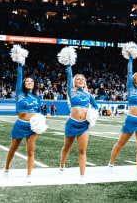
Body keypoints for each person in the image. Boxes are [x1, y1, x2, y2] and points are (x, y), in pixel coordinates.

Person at [108, 50, 137, 177]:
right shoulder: (130, 88)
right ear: (134, 79)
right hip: (130, 120)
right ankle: (111, 163)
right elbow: (128, 73)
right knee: (120, 144)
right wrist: (130, 59)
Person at [59, 49, 98, 181]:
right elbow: (69, 76)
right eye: (78, 79)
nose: (80, 80)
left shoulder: (88, 95)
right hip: (71, 124)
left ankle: (82, 176)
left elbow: (96, 107)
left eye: (82, 79)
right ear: (75, 82)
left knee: (82, 151)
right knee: (67, 147)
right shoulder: (72, 92)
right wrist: (69, 64)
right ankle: (61, 166)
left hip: (84, 126)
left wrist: (92, 115)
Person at [4, 46, 42, 182]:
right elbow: (19, 77)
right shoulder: (19, 93)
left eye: (31, 81)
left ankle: (29, 175)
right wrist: (20, 64)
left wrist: (40, 122)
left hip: (32, 126)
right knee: (13, 149)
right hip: (20, 124)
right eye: (27, 81)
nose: (29, 82)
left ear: (34, 84)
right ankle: (6, 168)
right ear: (24, 84)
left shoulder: (37, 98)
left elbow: (39, 113)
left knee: (30, 151)